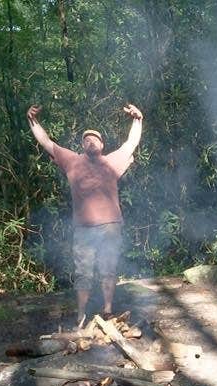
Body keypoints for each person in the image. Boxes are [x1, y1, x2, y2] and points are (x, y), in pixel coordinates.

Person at [26, 103, 143, 327]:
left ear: (102, 144)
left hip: (110, 226)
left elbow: (131, 143)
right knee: (83, 272)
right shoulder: (72, 161)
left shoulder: (111, 162)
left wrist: (138, 120)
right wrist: (33, 121)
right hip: (83, 228)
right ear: (82, 145)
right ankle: (81, 315)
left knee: (108, 268)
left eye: (95, 139)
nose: (91, 141)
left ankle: (108, 310)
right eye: (86, 139)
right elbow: (47, 143)